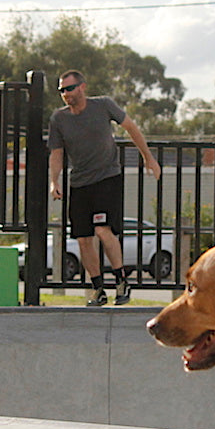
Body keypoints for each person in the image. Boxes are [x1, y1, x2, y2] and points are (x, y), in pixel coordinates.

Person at [48, 70, 161, 306]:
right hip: (80, 183)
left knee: (103, 230)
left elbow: (131, 128)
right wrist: (54, 181)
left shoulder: (103, 105)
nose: (66, 94)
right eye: (62, 91)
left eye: (69, 89)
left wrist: (148, 158)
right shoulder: (59, 119)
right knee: (83, 239)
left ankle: (121, 281)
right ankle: (98, 287)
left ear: (82, 87)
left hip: (107, 178)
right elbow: (56, 153)